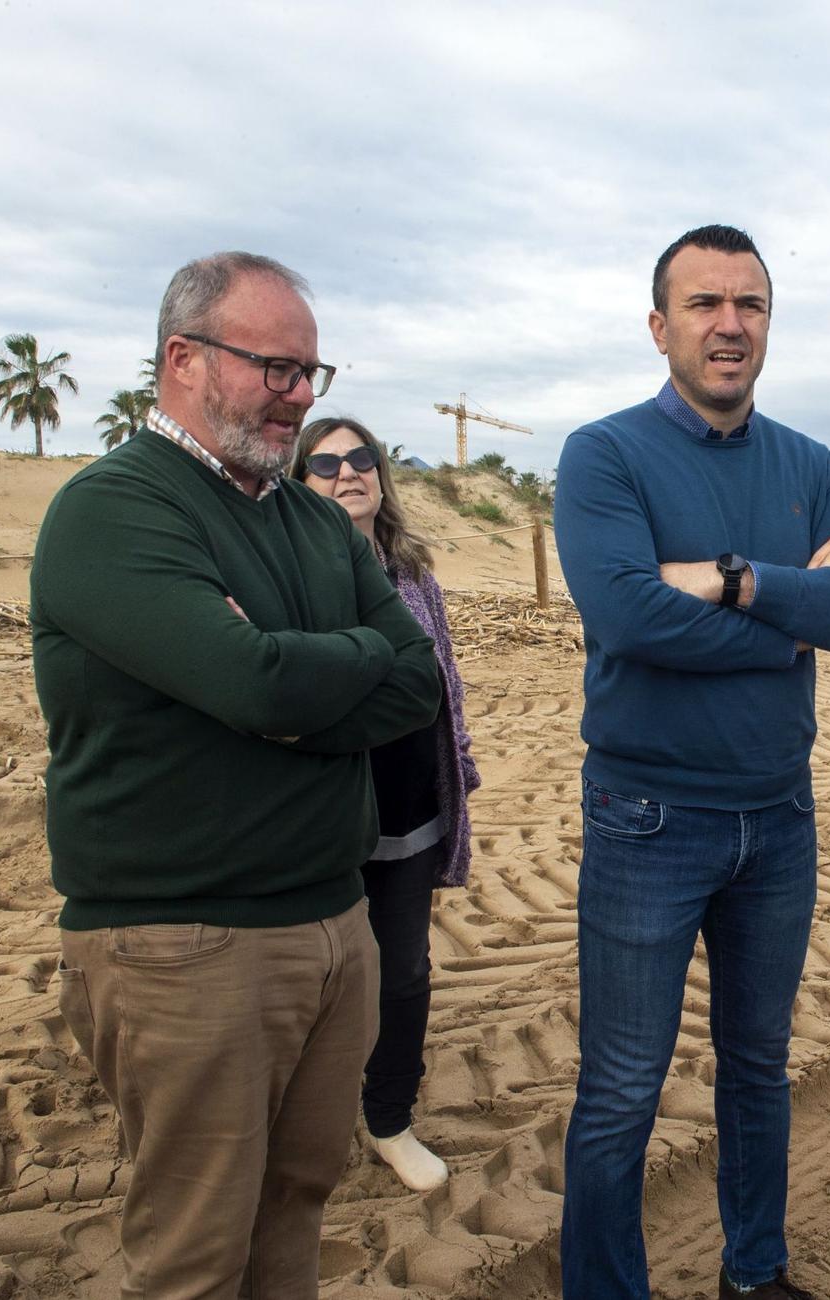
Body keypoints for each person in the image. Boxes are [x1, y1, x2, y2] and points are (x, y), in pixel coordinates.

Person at [31, 252, 443, 1299]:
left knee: (297, 1203)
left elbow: (414, 686)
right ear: (182, 358)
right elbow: (253, 682)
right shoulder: (112, 509)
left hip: (333, 922)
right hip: (186, 943)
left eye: (312, 371)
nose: (299, 396)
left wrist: (289, 673)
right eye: (275, 366)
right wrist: (299, 672)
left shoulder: (309, 517)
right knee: (195, 1253)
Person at [553, 223, 830, 1300]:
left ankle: (754, 1272)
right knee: (620, 1088)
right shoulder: (603, 454)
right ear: (660, 327)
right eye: (704, 304)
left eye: (748, 304)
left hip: (777, 818)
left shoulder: (812, 464)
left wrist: (736, 579)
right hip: (645, 818)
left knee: (758, 1067)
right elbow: (627, 615)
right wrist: (800, 615)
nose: (729, 325)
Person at [291, 415, 482, 1193]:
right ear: (297, 482)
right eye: (325, 462)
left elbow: (445, 682)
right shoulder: (288, 572)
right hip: (320, 815)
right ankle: (303, 1118)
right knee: (309, 973)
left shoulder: (412, 569)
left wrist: (457, 764)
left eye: (360, 458)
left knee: (402, 972)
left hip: (409, 807)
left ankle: (389, 1118)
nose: (347, 472)